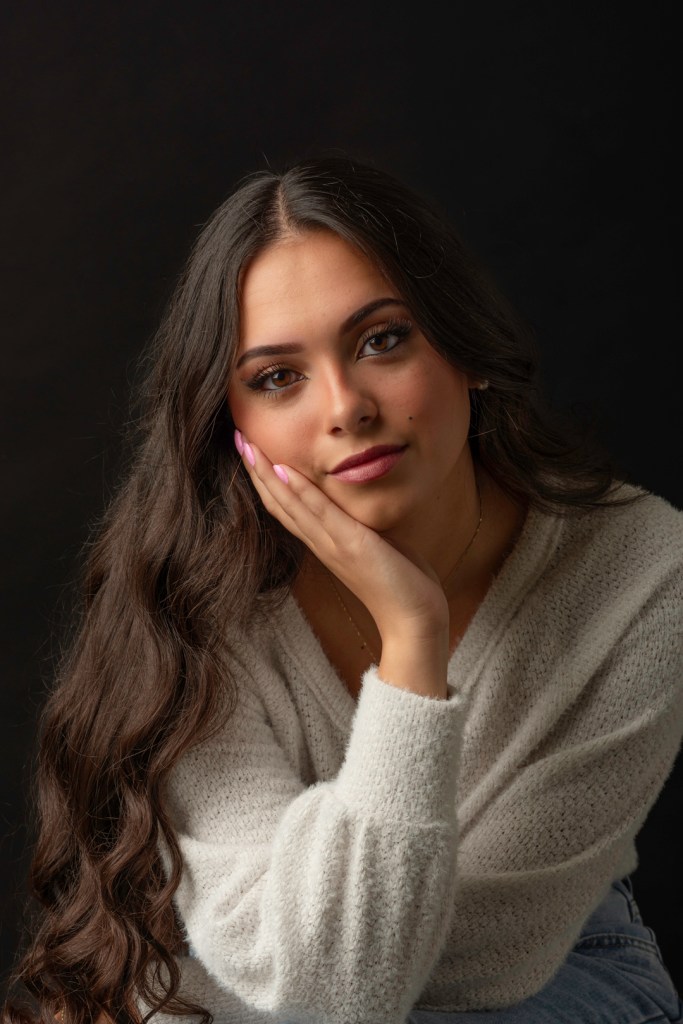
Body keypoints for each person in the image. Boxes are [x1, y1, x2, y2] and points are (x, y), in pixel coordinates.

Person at [4, 156, 683, 1024]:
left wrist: (411, 637)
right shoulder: (194, 604)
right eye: (276, 377)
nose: (345, 406)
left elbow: (391, 975)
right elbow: (326, 987)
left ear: (466, 350)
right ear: (231, 425)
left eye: (382, 339)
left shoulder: (642, 570)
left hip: (555, 972)